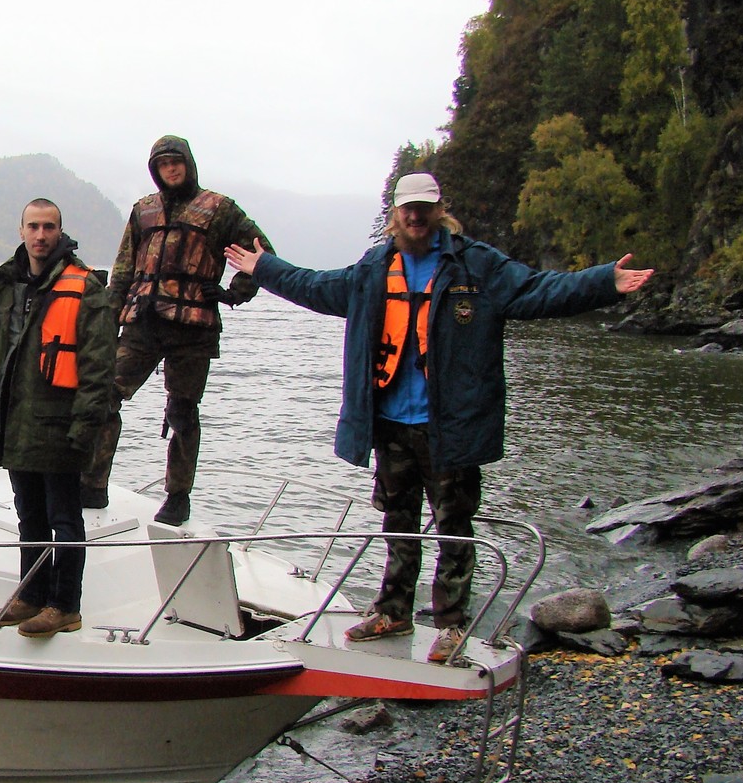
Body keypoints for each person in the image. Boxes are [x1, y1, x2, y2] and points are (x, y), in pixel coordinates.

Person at [225, 171, 654, 662]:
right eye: (407, 208)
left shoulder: (476, 266)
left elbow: (540, 290)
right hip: (389, 423)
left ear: (438, 210)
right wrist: (265, 268)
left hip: (450, 426)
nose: (415, 216)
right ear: (396, 213)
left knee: (454, 526)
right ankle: (393, 612)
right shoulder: (374, 269)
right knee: (397, 522)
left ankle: (451, 625)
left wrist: (605, 281)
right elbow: (318, 287)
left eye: (424, 207)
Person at [82, 135, 275, 526]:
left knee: (183, 412)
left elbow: (261, 251)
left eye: (176, 162)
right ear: (155, 170)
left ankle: (177, 496)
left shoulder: (219, 209)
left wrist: (233, 292)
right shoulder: (143, 211)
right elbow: (122, 269)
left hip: (193, 327)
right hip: (142, 321)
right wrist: (108, 315)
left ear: (188, 163)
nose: (170, 169)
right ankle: (93, 483)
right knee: (103, 397)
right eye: (162, 164)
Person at [0, 199, 117, 638]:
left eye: (49, 227)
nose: (41, 235)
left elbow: (100, 367)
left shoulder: (85, 288)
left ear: (60, 231)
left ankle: (65, 605)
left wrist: (85, 428)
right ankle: (31, 596)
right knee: (29, 514)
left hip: (59, 423)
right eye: (33, 226)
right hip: (15, 422)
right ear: (21, 230)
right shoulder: (5, 285)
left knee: (65, 519)